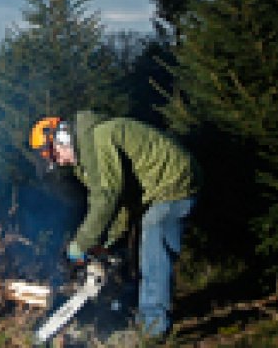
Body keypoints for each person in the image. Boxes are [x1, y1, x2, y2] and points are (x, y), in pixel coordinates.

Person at [29, 111, 202, 336]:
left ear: (62, 137)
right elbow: (118, 205)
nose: (59, 162)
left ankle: (153, 330)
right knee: (144, 246)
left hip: (174, 181)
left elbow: (106, 198)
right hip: (153, 189)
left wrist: (80, 244)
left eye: (55, 155)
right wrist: (105, 245)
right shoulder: (86, 160)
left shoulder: (99, 139)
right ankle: (145, 315)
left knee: (154, 246)